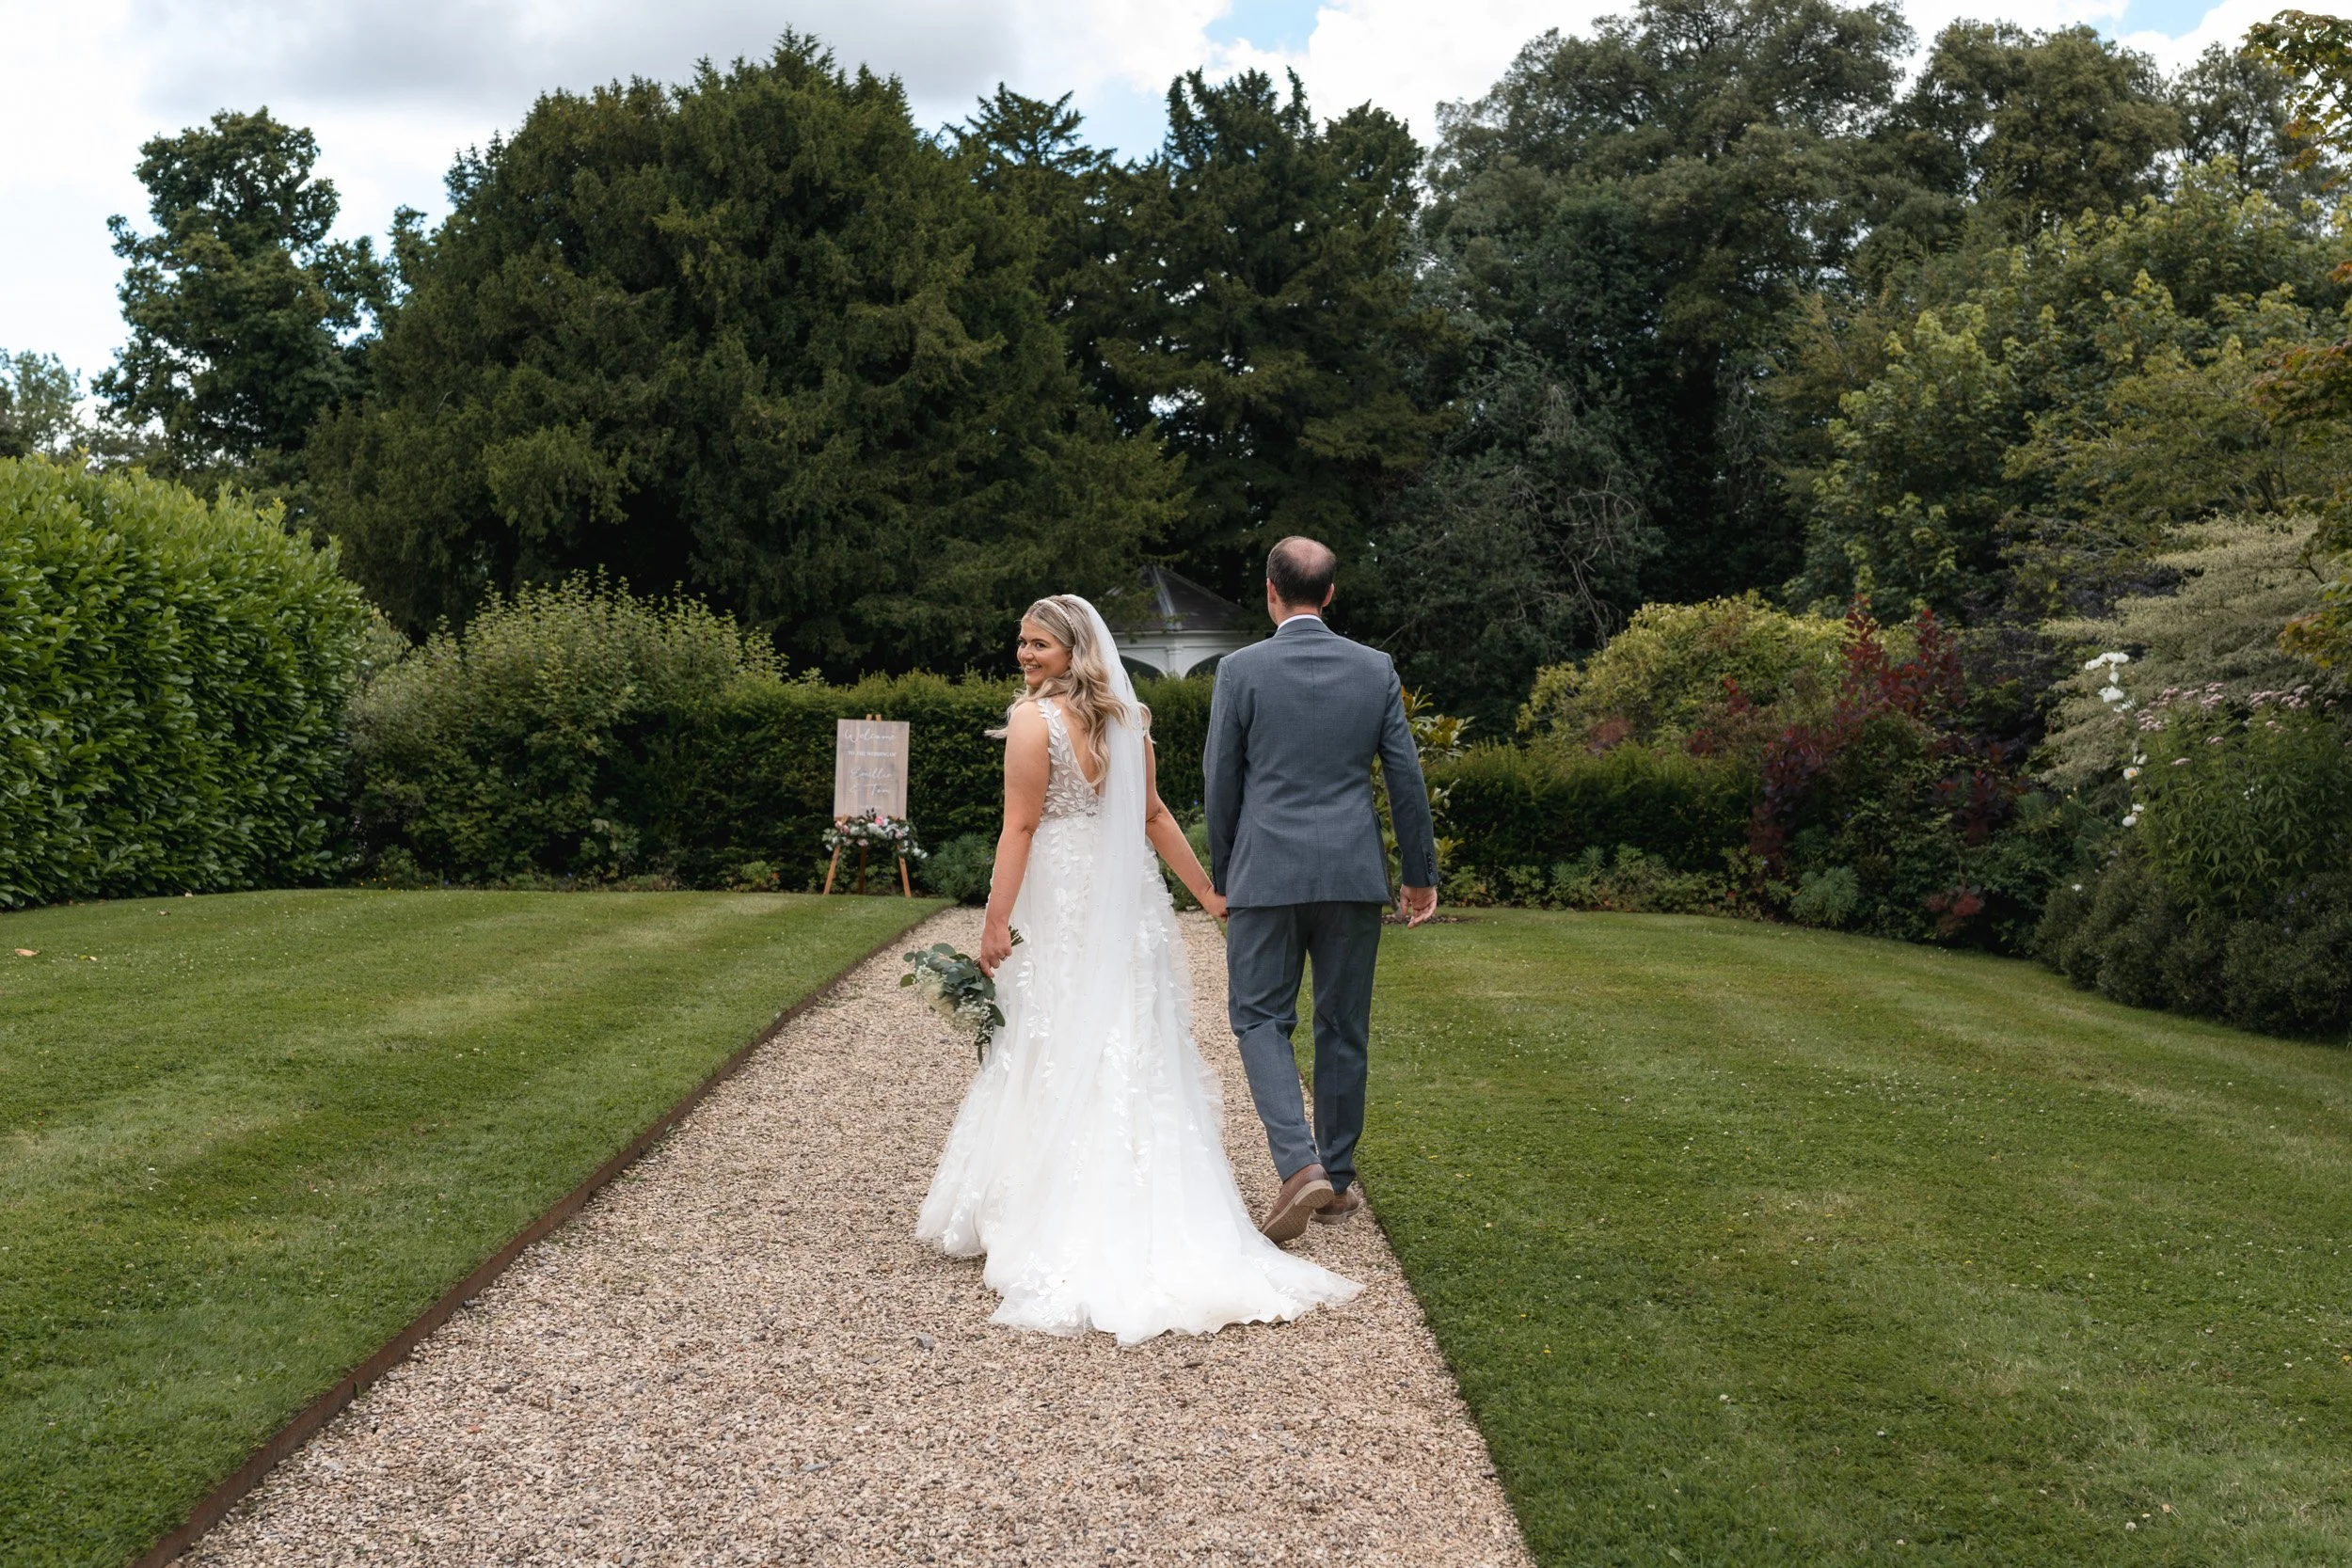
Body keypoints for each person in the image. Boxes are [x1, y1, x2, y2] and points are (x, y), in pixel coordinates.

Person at [916, 594, 1359, 1342]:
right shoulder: (1128, 720)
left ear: (1073, 649)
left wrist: (994, 920)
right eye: (1020, 643)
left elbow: (1022, 824)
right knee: (1122, 1030)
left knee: (1060, 1029)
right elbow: (1152, 818)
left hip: (1061, 893)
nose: (1024, 655)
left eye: (1039, 645)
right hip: (1121, 898)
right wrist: (1208, 894)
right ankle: (1142, 1197)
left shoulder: (1032, 723)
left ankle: (1054, 1204)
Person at [1204, 537, 1439, 1243]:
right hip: (1349, 874)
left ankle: (1297, 1163)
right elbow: (1405, 778)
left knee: (1258, 1018)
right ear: (1330, 594)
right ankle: (1332, 1176)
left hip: (1266, 874)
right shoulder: (1375, 670)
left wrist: (1225, 874)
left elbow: (1222, 783)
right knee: (1342, 1024)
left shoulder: (1239, 670)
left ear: (1270, 591)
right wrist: (1419, 874)